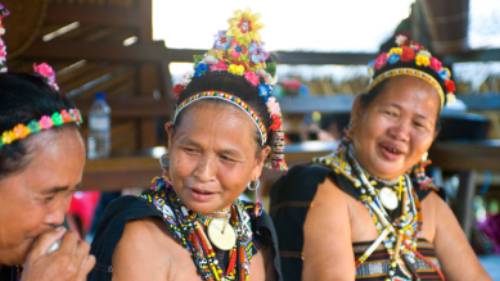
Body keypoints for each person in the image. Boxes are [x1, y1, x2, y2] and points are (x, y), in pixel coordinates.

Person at [270, 35, 491, 280]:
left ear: (433, 136)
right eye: (391, 113)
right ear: (359, 110)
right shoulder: (318, 186)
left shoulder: (428, 203)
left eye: (419, 124)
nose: (401, 133)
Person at [89, 10, 285, 281]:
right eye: (191, 150)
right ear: (171, 139)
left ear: (258, 162)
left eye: (227, 158)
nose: (204, 173)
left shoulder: (258, 237)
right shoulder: (143, 236)